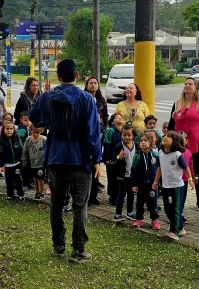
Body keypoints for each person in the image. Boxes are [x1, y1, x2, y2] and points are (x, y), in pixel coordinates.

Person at [29, 59, 102, 263]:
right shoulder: (87, 99)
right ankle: (78, 249)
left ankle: (58, 244)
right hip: (80, 159)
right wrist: (96, 159)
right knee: (80, 205)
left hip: (56, 157)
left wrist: (41, 95)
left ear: (58, 77)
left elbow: (35, 119)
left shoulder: (48, 97)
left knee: (56, 203)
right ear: (77, 75)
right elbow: (92, 133)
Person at [168, 78, 199, 212]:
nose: (187, 86)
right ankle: (179, 201)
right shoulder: (177, 104)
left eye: (190, 84)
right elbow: (171, 124)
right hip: (179, 145)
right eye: (185, 84)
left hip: (196, 144)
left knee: (196, 173)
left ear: (196, 88)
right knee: (180, 173)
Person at [152, 131, 195, 241]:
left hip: (177, 186)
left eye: (168, 137)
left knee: (176, 209)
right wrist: (156, 181)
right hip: (165, 185)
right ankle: (180, 227)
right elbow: (159, 168)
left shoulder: (177, 154)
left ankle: (174, 231)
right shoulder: (160, 153)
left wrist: (190, 179)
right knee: (167, 209)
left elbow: (186, 168)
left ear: (174, 141)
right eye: (165, 136)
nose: (165, 137)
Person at [131, 133, 160, 230]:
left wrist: (158, 182)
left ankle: (154, 220)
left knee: (153, 202)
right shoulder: (137, 156)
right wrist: (134, 184)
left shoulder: (156, 155)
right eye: (141, 141)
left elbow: (160, 170)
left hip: (152, 185)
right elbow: (133, 171)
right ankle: (139, 218)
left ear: (151, 143)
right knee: (140, 202)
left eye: (145, 141)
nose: (143, 142)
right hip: (141, 184)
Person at [113, 124, 137, 222]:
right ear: (121, 135)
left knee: (131, 194)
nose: (127, 137)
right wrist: (119, 157)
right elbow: (113, 159)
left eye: (129, 135)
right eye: (124, 135)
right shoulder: (119, 147)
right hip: (123, 175)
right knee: (122, 194)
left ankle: (130, 212)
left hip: (132, 176)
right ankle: (118, 213)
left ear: (133, 136)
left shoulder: (137, 146)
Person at [0, 120, 24, 201]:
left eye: (11, 129)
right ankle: (10, 195)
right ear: (3, 130)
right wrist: (1, 165)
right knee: (9, 181)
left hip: (17, 164)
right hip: (7, 166)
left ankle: (20, 194)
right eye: (7, 129)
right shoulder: (1, 141)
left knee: (18, 180)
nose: (9, 130)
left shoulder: (17, 139)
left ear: (13, 130)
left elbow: (21, 150)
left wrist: (22, 160)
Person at [103, 113, 124, 206]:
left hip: (122, 158)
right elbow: (107, 144)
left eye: (121, 117)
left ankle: (119, 196)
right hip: (112, 158)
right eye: (117, 117)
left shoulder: (124, 131)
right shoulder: (111, 130)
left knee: (120, 178)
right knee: (112, 179)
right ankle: (113, 197)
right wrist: (107, 158)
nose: (120, 118)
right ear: (112, 121)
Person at [22, 124, 47, 200]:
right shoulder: (28, 140)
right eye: (34, 133)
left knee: (40, 178)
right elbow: (25, 150)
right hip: (32, 163)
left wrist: (44, 153)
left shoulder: (44, 139)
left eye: (38, 133)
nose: (36, 135)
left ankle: (41, 193)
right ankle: (37, 192)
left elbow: (48, 148)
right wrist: (24, 160)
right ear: (31, 131)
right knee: (35, 179)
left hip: (41, 163)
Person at [179, 131, 194, 224]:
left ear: (187, 141)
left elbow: (190, 166)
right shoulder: (173, 152)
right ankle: (174, 214)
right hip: (175, 180)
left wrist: (192, 177)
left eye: (182, 140)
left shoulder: (188, 152)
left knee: (183, 198)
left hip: (184, 179)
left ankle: (180, 213)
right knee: (176, 198)